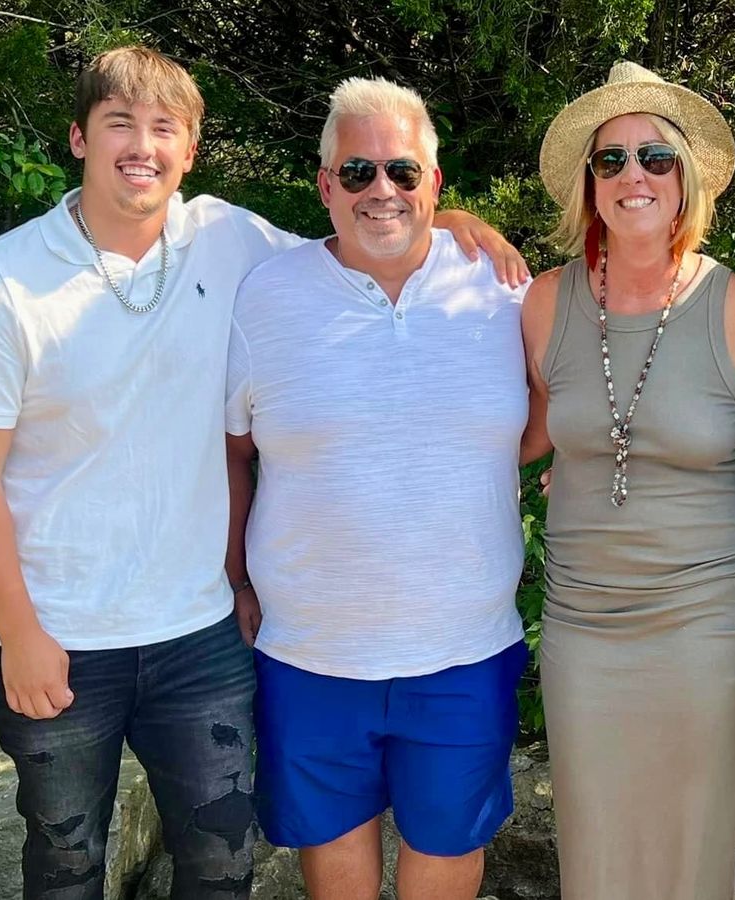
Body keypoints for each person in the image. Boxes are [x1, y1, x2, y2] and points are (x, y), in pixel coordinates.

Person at [0, 46, 526, 900]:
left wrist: (461, 220)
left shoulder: (231, 241)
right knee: (64, 861)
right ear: (78, 137)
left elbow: (374, 240)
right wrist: (20, 632)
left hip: (204, 631)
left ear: (190, 150)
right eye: (119, 124)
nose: (142, 147)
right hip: (70, 627)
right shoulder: (5, 282)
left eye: (163, 128)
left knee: (220, 864)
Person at [224, 76, 529, 900]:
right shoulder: (266, 295)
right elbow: (233, 450)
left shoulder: (505, 290)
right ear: (325, 185)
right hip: (309, 650)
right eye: (358, 172)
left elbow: (541, 428)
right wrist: (237, 577)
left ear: (435, 182)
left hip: (465, 647)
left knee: (448, 849)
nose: (381, 189)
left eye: (402, 170)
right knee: (333, 860)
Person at [519, 62, 735, 899]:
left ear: (685, 176)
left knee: (696, 843)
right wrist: (444, 220)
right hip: (582, 623)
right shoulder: (544, 304)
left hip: (708, 622)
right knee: (593, 843)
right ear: (590, 185)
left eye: (655, 157)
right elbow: (518, 435)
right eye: (612, 159)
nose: (634, 175)